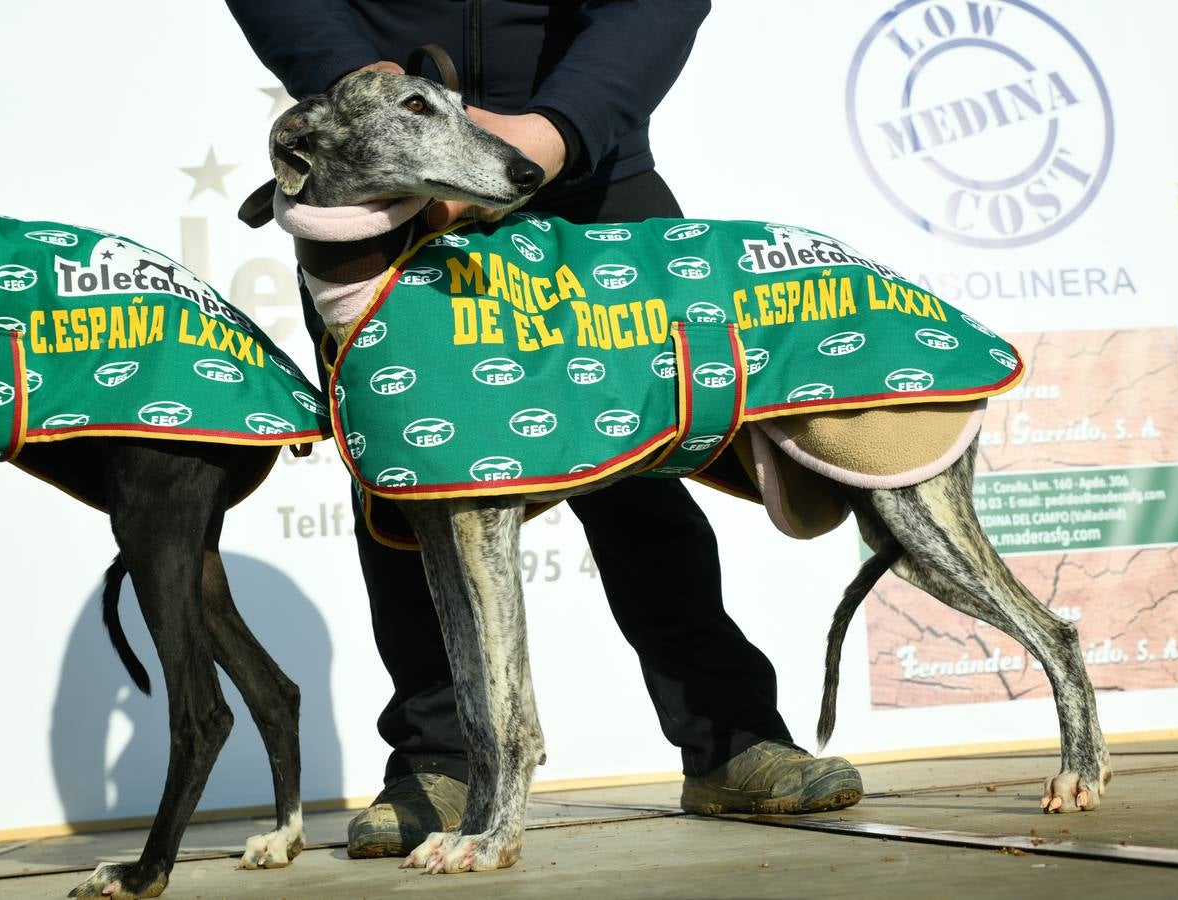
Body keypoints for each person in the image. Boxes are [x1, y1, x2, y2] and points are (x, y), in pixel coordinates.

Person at [226, 0, 862, 858]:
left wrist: (560, 126)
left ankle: (730, 738)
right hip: (388, 173)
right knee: (415, 485)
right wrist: (363, 86)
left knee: (643, 471)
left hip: (590, 161)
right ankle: (440, 763)